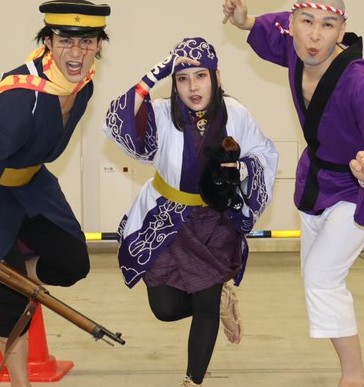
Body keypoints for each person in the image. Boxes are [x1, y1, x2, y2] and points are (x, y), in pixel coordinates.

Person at [223, 0, 364, 387]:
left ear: (342, 30)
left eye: (328, 25)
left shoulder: (361, 80)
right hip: (315, 182)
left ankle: (354, 378)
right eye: (306, 22)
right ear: (292, 24)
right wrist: (245, 21)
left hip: (356, 188)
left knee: (321, 278)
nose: (314, 35)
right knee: (317, 278)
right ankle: (350, 372)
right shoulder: (297, 49)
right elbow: (271, 32)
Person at [0, 0, 111, 387]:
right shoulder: (20, 97)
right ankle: (19, 379)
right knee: (15, 301)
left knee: (73, 263)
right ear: (48, 42)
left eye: (87, 41)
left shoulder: (83, 85)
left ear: (99, 44)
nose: (76, 52)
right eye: (66, 40)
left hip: (31, 184)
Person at [103, 37, 278, 386]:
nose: (193, 87)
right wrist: (155, 74)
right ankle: (218, 302)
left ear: (216, 77)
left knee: (204, 305)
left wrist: (242, 169)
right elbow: (117, 121)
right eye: (182, 79)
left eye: (201, 76)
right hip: (166, 219)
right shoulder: (160, 112)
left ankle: (192, 380)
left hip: (217, 222)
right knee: (165, 309)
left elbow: (264, 154)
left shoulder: (235, 113)